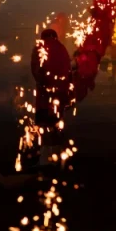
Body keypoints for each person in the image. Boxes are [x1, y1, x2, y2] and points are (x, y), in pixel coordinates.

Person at [31, 29, 73, 165]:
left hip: (45, 94)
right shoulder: (62, 48)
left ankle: (45, 157)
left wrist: (42, 82)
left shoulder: (39, 47)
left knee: (44, 123)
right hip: (60, 93)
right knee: (56, 121)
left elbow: (36, 70)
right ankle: (59, 155)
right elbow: (69, 71)